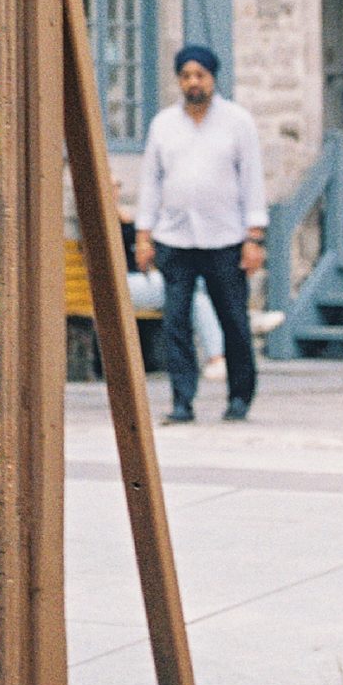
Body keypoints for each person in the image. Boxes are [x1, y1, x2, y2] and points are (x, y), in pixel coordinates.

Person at [135, 45, 267, 426]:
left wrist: (253, 236)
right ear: (179, 80)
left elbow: (251, 179)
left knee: (233, 319)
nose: (193, 82)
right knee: (176, 320)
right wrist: (144, 234)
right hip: (175, 238)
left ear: (212, 78)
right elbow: (150, 182)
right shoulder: (163, 124)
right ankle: (182, 399)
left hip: (225, 238)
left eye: (200, 75)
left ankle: (239, 396)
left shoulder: (237, 121)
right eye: (186, 76)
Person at [113, 171, 224, 368]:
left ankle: (216, 359)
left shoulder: (126, 218)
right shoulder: (100, 219)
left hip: (140, 281)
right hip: (121, 285)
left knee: (197, 299)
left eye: (118, 186)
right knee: (193, 283)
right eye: (112, 186)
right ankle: (236, 330)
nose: (116, 191)